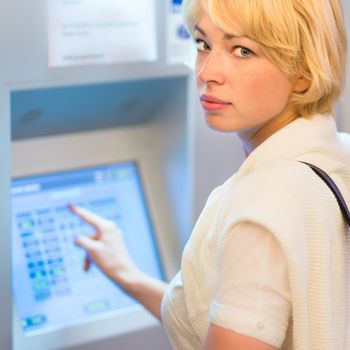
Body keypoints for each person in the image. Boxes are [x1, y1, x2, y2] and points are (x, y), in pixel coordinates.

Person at [70, 0, 350, 349]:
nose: (207, 72)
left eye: (242, 50)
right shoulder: (336, 154)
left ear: (303, 72)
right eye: (203, 44)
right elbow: (223, 318)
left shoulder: (266, 202)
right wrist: (126, 273)